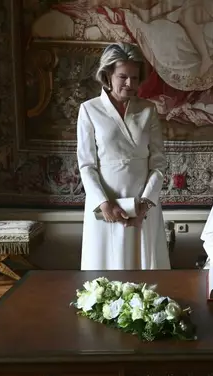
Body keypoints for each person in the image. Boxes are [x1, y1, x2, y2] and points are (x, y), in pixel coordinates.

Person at [77, 42, 170, 270]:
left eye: (135, 78)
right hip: (105, 204)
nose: (130, 84)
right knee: (105, 273)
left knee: (146, 271)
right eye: (123, 77)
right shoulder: (89, 110)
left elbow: (158, 163)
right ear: (107, 74)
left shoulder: (148, 110)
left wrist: (145, 204)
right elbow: (87, 165)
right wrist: (104, 204)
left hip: (142, 204)